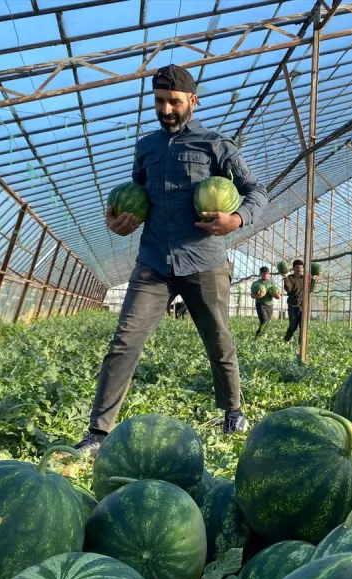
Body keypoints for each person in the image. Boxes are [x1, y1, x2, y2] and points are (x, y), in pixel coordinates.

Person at [73, 64, 269, 457]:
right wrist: (118, 221)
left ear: (192, 101)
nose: (165, 110)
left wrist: (236, 219)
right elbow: (137, 195)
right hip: (154, 260)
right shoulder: (146, 147)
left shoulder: (216, 146)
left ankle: (233, 410)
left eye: (174, 102)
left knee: (218, 339)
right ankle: (98, 432)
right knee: (124, 341)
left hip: (204, 259)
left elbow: (255, 190)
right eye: (160, 101)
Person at [282, 259, 317, 345]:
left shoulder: (305, 278)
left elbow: (310, 290)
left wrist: (313, 279)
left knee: (303, 327)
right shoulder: (290, 278)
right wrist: (285, 278)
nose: (299, 269)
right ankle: (286, 340)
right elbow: (289, 289)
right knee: (293, 326)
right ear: (294, 268)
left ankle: (301, 345)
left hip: (303, 305)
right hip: (293, 305)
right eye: (297, 267)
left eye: (301, 267)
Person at [251, 266, 281, 336]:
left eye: (267, 274)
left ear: (268, 274)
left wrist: (278, 296)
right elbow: (252, 295)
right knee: (264, 320)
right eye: (263, 274)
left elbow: (278, 294)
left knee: (267, 322)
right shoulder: (256, 284)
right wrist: (258, 296)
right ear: (260, 274)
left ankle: (260, 334)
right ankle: (261, 335)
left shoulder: (272, 283)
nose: (265, 275)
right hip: (260, 304)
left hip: (270, 305)